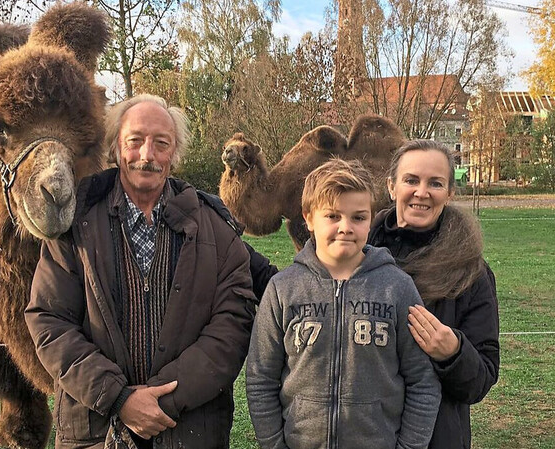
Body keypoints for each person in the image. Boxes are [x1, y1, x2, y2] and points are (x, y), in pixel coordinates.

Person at [26, 94, 257, 449]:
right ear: (117, 147)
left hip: (190, 431)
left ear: (174, 154)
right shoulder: (76, 226)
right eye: (135, 141)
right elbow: (50, 321)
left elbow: (233, 323)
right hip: (95, 433)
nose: (146, 155)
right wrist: (120, 399)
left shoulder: (215, 228)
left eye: (161, 143)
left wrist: (160, 402)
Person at [246, 158, 441, 449]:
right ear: (309, 218)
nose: (346, 227)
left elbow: (423, 381)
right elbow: (260, 379)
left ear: (371, 218)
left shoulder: (397, 288)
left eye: (358, 217)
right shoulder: (283, 289)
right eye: (333, 216)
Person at [368, 139, 500, 449]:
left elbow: (481, 379)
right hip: (362, 432)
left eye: (435, 183)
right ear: (391, 186)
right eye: (411, 180)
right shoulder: (356, 255)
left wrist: (454, 352)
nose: (422, 192)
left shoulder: (471, 272)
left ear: (450, 193)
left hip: (436, 438)